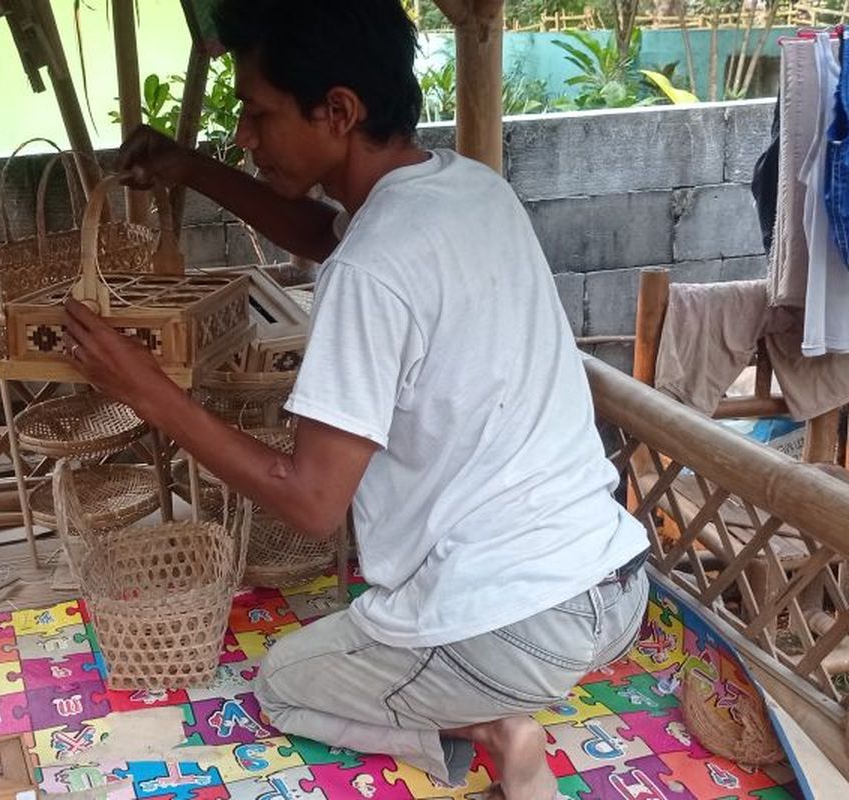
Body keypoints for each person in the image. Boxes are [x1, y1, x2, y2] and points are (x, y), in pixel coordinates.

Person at [60, 0, 650, 797]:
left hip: (518, 627)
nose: (246, 135)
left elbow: (309, 502)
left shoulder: (371, 271)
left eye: (259, 114)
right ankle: (495, 701)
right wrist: (191, 169)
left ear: (338, 110)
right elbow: (324, 233)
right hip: (613, 587)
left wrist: (147, 390)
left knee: (282, 681)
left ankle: (498, 727)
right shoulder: (469, 190)